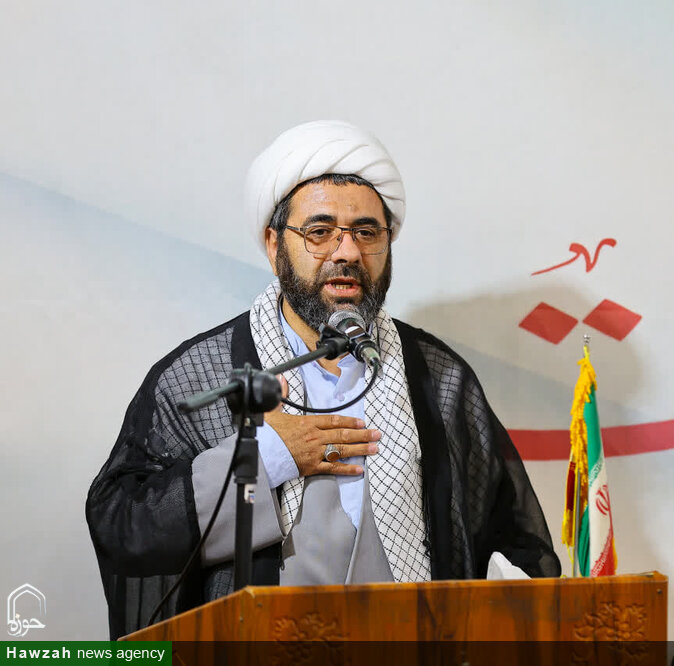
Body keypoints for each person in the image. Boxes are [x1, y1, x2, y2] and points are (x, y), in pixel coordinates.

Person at [86, 120, 560, 639]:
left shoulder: (438, 376)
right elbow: (123, 524)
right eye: (320, 231)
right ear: (274, 245)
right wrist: (265, 457)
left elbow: (512, 535)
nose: (347, 252)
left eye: (366, 232)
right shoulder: (204, 374)